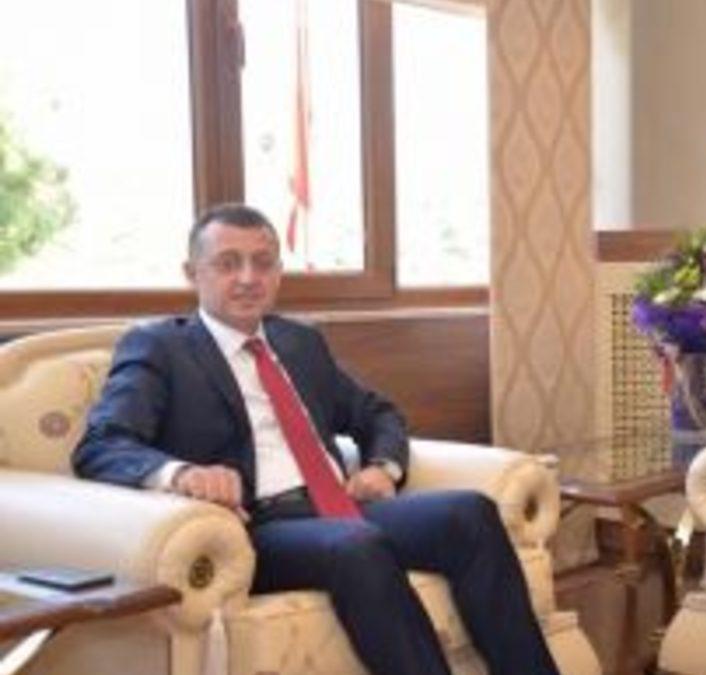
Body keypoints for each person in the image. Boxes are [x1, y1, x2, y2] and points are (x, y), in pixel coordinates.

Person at [73, 204, 559, 675]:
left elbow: (378, 414)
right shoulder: (161, 347)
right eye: (227, 263)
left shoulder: (298, 342)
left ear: (278, 274)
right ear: (192, 273)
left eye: (263, 263)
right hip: (256, 528)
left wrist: (382, 467)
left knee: (469, 513)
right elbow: (101, 444)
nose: (248, 277)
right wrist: (182, 474)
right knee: (358, 544)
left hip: (338, 506)